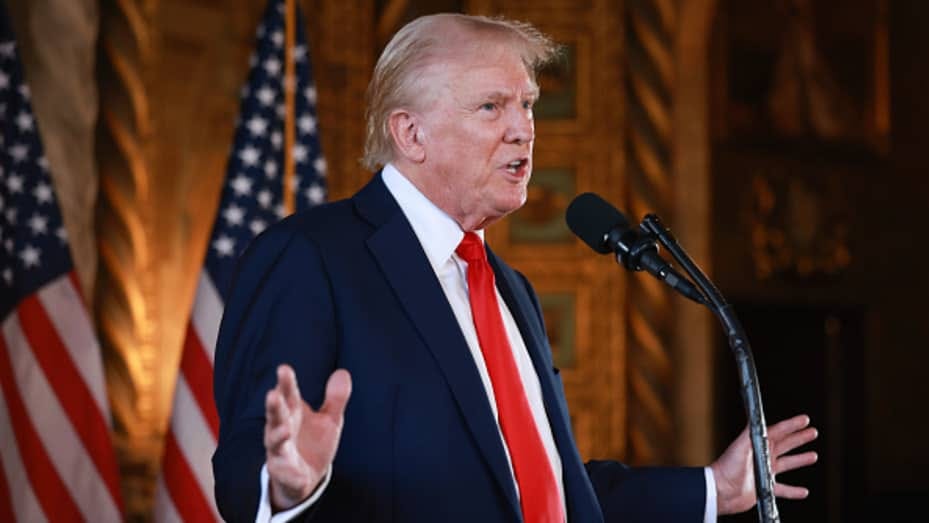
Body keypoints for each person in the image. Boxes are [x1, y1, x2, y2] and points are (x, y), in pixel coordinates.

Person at [212, 13, 818, 523]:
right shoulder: (309, 258)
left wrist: (714, 487)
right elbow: (249, 466)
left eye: (527, 104)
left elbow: (541, 488)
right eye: (491, 106)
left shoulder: (509, 289)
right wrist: (286, 492)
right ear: (410, 132)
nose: (523, 130)